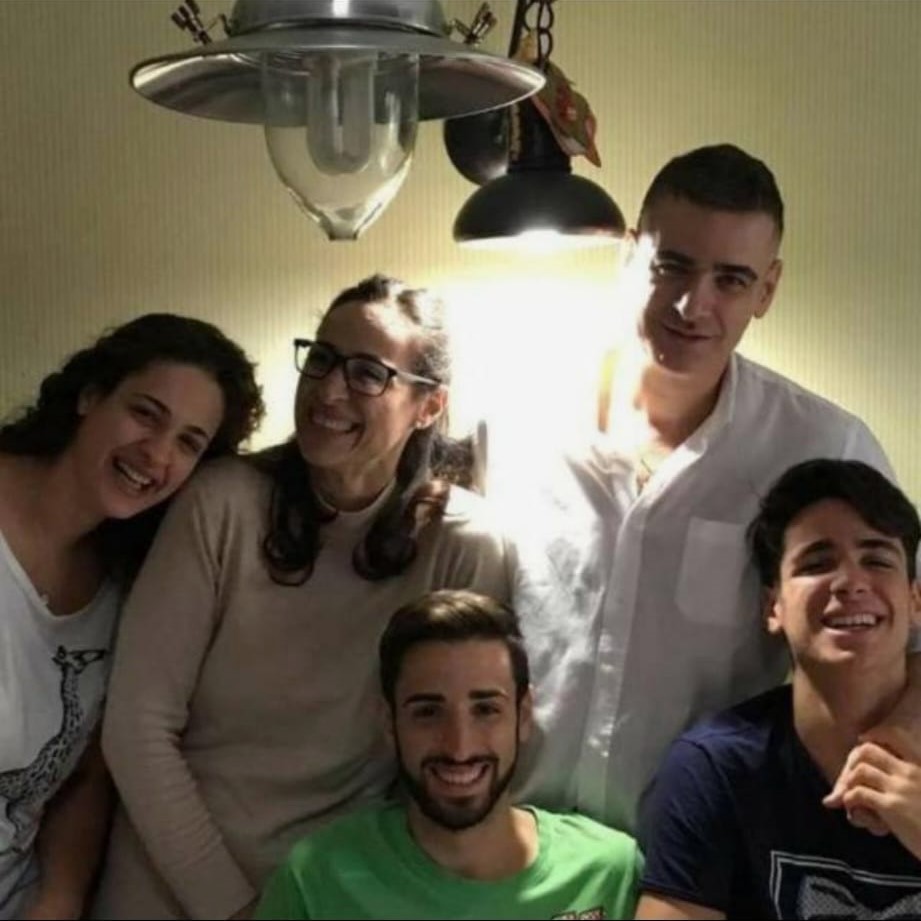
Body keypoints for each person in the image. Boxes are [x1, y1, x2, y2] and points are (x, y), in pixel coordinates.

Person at [501, 143, 920, 833]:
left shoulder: (823, 445)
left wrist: (895, 745)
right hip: (516, 848)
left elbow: (912, 634)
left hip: (700, 856)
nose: (693, 304)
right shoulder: (519, 416)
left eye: (731, 279)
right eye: (672, 266)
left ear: (767, 290)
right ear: (628, 255)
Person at [94, 275, 516, 920]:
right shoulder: (222, 502)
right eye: (321, 358)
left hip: (339, 889)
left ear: (428, 406)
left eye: (367, 373)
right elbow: (137, 726)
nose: (329, 390)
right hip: (170, 878)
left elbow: (456, 750)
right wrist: (235, 908)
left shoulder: (464, 544)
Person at [0, 313, 263, 920]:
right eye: (146, 414)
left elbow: (86, 777)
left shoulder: (130, 585)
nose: (158, 454)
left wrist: (60, 899)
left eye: (189, 443)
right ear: (90, 396)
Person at [636, 459, 921, 920]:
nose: (850, 582)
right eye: (817, 563)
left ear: (915, 600)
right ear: (774, 607)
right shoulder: (716, 770)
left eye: (877, 560)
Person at [255, 589, 643, 920]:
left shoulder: (609, 873)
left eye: (486, 709)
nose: (460, 747)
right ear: (390, 723)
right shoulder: (319, 880)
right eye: (428, 712)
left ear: (523, 716)